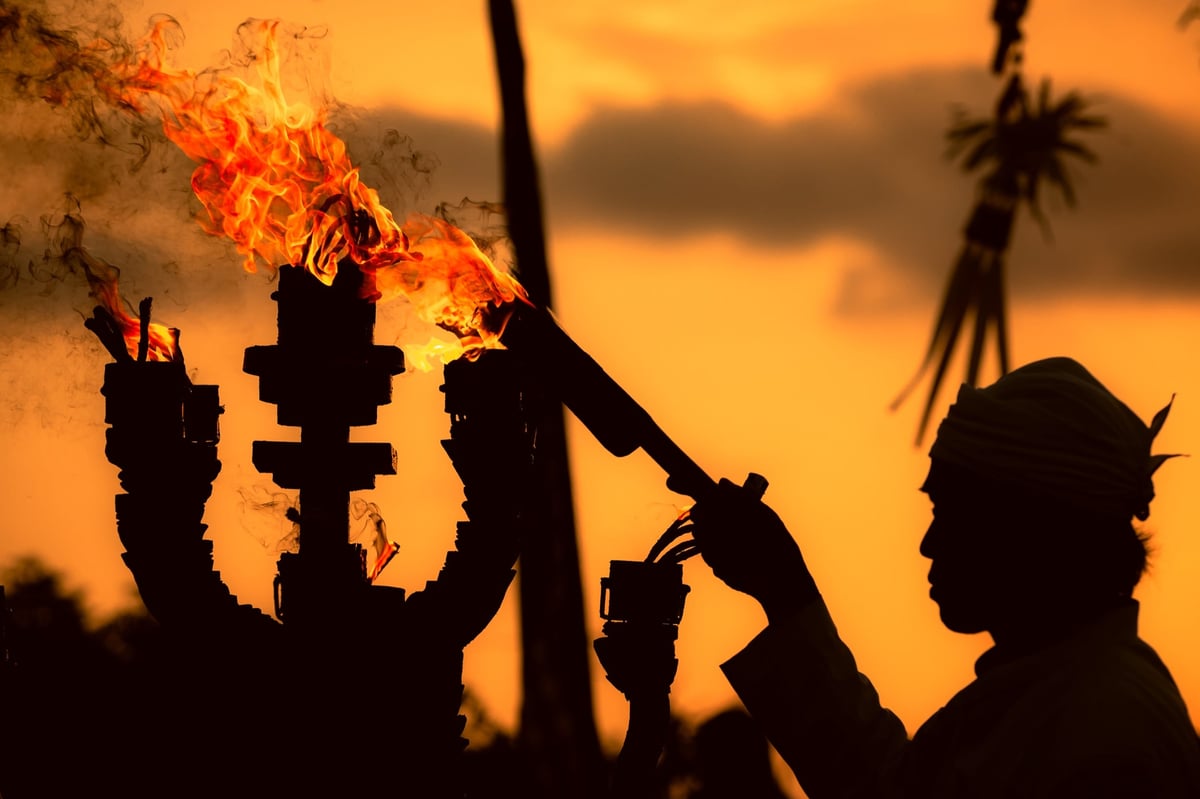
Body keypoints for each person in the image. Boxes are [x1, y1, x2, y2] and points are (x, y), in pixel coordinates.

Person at [689, 356, 1200, 798]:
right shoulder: (1056, 699)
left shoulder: (1100, 732)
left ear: (1030, 528)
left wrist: (786, 592)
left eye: (952, 513)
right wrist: (784, 590)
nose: (928, 543)